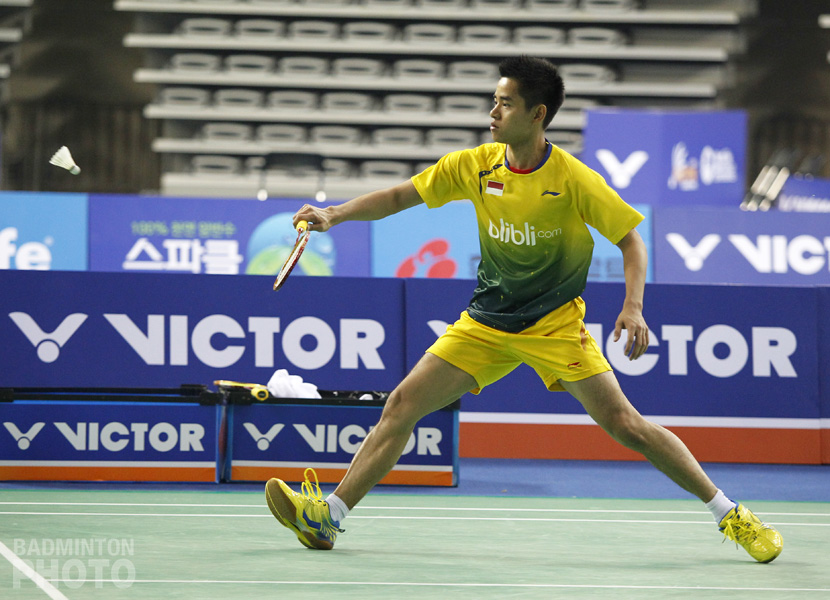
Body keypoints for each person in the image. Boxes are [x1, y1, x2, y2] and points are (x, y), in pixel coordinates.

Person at [264, 55, 783, 563]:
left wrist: (633, 306)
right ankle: (327, 516)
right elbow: (402, 196)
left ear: (538, 114)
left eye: (506, 104)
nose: (493, 112)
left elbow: (631, 240)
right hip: (485, 322)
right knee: (401, 406)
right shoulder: (475, 165)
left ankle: (731, 514)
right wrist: (334, 214)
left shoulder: (574, 179)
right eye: (494, 100)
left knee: (626, 424)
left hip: (554, 326)